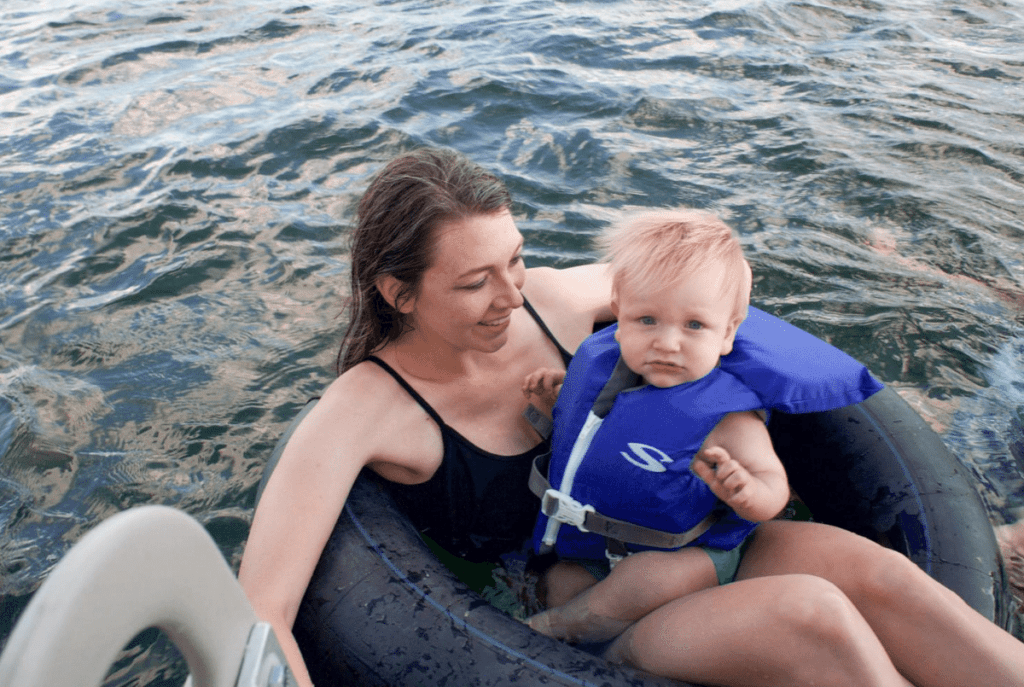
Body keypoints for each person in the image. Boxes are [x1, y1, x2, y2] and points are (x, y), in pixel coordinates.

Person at [238, 148, 1024, 687]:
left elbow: (693, 276)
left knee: (878, 575)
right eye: (475, 282)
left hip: (697, 543)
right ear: (398, 293)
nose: (512, 296)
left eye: (515, 259)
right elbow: (262, 607)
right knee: (814, 614)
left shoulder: (550, 303)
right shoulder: (366, 410)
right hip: (590, 608)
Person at [522, 208, 810, 645]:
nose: (667, 342)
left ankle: (565, 628)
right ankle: (577, 641)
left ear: (728, 333)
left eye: (694, 325)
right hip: (595, 546)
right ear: (619, 312)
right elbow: (585, 446)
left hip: (685, 554)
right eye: (647, 320)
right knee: (560, 582)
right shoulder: (602, 373)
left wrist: (746, 492)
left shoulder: (726, 415)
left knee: (650, 578)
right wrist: (554, 407)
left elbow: (774, 487)